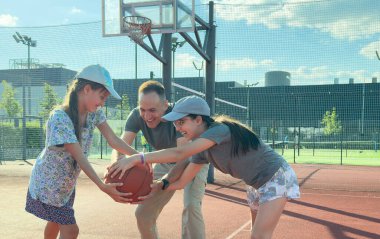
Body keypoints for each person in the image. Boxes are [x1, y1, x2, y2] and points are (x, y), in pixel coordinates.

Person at [108, 95, 300, 239]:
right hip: (255, 184)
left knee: (259, 236)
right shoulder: (201, 150)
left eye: (182, 122)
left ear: (199, 120)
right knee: (256, 232)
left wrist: (136, 158)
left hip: (275, 177)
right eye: (175, 123)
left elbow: (178, 153)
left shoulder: (219, 131)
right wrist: (161, 184)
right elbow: (182, 181)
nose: (178, 128)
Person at [25, 64, 137, 239]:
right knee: (71, 230)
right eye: (102, 96)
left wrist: (139, 157)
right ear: (86, 89)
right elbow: (79, 156)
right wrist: (102, 185)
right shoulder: (60, 117)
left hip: (65, 186)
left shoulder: (94, 114)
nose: (102, 102)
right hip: (48, 185)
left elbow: (113, 140)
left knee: (55, 222)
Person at [111, 81, 209, 239]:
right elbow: (121, 147)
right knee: (143, 213)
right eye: (143, 109)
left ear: (165, 104)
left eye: (152, 110)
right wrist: (117, 170)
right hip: (165, 161)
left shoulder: (179, 116)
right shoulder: (137, 115)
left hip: (193, 159)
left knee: (191, 207)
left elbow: (182, 156)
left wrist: (164, 182)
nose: (147, 116)